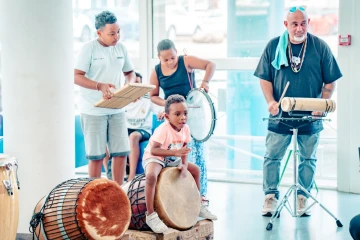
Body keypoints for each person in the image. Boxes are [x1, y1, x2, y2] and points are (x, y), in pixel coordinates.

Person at [254, 6, 342, 217]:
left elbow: (330, 81)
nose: (299, 28)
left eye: (303, 23)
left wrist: (322, 103)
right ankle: (271, 196)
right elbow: (264, 78)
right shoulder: (273, 46)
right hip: (280, 115)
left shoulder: (319, 46)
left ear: (308, 22)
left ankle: (303, 196)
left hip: (310, 115)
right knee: (272, 156)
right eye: (294, 24)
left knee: (308, 158)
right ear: (286, 25)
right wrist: (270, 101)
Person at [149, 39, 216, 201]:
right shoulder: (156, 71)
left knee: (197, 153)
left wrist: (205, 82)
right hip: (174, 117)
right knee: (178, 155)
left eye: (172, 57)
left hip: (194, 112)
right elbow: (153, 96)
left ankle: (201, 193)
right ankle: (181, 193)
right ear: (159, 57)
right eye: (165, 59)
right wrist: (167, 105)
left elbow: (210, 65)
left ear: (176, 52)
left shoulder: (185, 61)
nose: (170, 62)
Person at [74, 10, 136, 186]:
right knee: (96, 155)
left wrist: (130, 85)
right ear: (99, 33)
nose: (116, 36)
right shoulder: (89, 49)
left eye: (118, 32)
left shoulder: (121, 48)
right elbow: (76, 76)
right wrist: (99, 86)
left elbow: (129, 72)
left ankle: (118, 191)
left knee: (121, 151)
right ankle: (92, 193)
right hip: (93, 109)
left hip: (117, 108)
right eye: (112, 33)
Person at [143, 94, 217, 233]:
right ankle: (151, 215)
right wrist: (175, 154)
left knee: (195, 171)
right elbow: (154, 149)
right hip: (155, 157)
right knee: (151, 177)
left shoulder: (186, 128)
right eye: (177, 114)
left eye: (185, 113)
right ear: (167, 116)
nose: (182, 117)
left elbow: (185, 147)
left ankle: (199, 205)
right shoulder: (163, 130)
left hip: (172, 157)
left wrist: (183, 164)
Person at [104, 72, 162, 182]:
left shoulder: (147, 98)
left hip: (142, 130)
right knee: (104, 137)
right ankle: (109, 175)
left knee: (133, 137)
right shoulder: (120, 98)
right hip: (125, 129)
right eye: (133, 83)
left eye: (138, 84)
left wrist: (161, 113)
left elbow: (159, 110)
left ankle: (131, 176)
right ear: (126, 85)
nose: (135, 87)